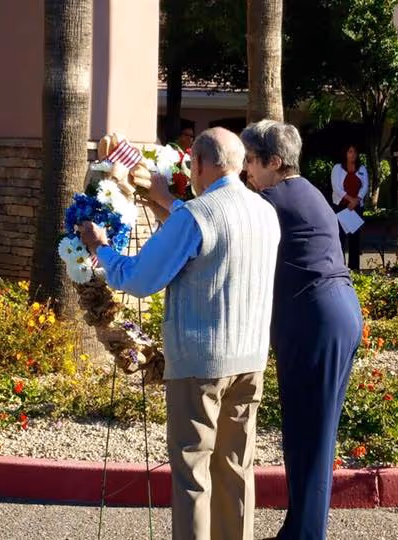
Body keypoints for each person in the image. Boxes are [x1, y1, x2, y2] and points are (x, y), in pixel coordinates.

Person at [79, 127, 280, 540]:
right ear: (240, 163)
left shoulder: (196, 215)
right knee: (236, 469)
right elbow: (210, 241)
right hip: (251, 359)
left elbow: (138, 278)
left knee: (192, 474)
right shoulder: (264, 212)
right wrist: (162, 199)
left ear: (201, 165)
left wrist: (101, 248)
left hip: (199, 362)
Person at [242, 120, 363, 540]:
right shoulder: (306, 191)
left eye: (252, 161)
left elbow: (216, 224)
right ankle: (300, 529)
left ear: (274, 161)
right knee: (310, 434)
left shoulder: (271, 200)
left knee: (308, 438)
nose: (246, 171)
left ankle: (305, 535)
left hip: (317, 319)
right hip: (334, 313)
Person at [330, 144, 368, 271]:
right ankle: (340, 268)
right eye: (350, 152)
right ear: (345, 153)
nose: (353, 155)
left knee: (355, 239)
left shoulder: (362, 168)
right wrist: (349, 199)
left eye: (355, 152)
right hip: (341, 207)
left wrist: (356, 200)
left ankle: (354, 268)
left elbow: (365, 186)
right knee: (340, 238)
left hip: (356, 207)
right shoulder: (337, 168)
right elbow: (336, 187)